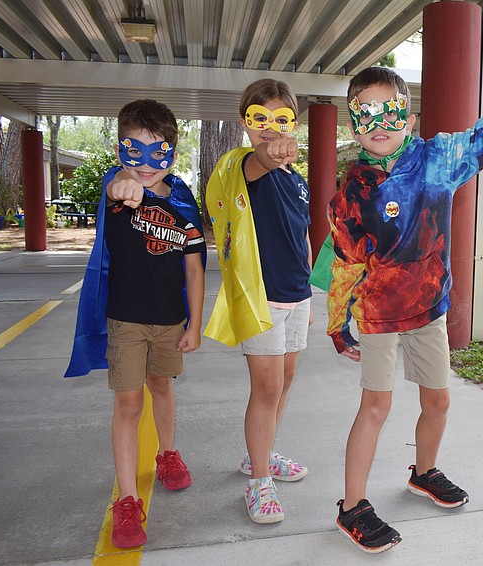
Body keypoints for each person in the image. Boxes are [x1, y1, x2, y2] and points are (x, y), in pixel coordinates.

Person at [326, 29, 483, 553]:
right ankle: (352, 506)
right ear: (353, 126)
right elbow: (345, 261)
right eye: (366, 113)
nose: (379, 124)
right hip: (379, 314)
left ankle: (423, 471)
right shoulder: (351, 193)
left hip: (428, 308)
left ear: (408, 120)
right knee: (376, 407)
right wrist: (338, 322)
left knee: (438, 401)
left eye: (391, 113)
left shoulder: (439, 158)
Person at [65, 99, 206, 548]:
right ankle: (127, 499)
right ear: (118, 150)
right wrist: (124, 182)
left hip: (170, 320)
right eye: (134, 151)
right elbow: (118, 185)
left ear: (173, 155)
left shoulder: (184, 202)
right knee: (127, 405)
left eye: (157, 152)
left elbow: (195, 268)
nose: (146, 164)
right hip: (126, 320)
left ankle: (167, 454)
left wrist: (195, 324)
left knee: (162, 387)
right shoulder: (117, 185)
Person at [203, 79, 313, 525]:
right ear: (244, 123)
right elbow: (264, 159)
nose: (271, 128)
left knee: (283, 385)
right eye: (259, 119)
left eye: (281, 119)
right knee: (265, 389)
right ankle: (259, 483)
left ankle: (259, 456)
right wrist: (273, 151)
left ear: (295, 122)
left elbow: (302, 234)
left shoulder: (298, 182)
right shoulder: (248, 167)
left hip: (297, 295)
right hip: (261, 298)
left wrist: (310, 292)